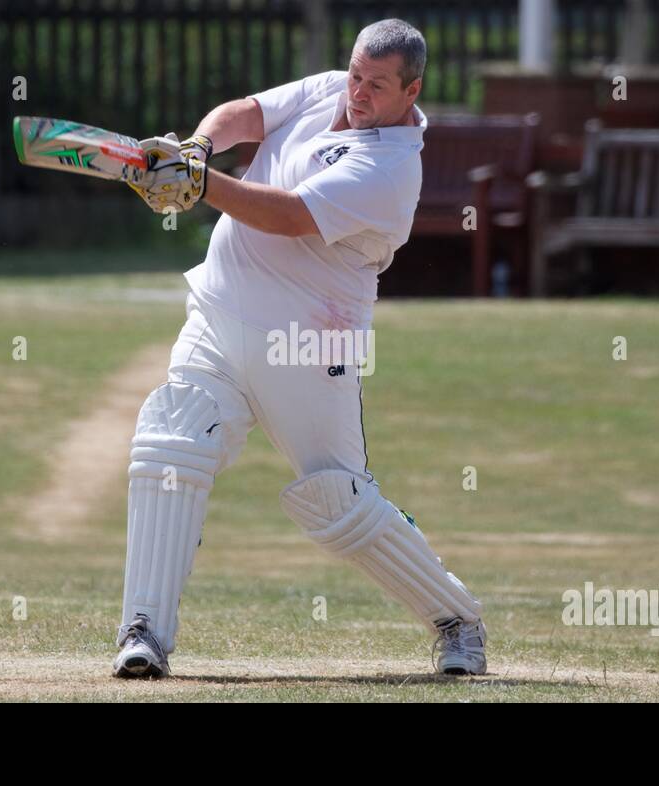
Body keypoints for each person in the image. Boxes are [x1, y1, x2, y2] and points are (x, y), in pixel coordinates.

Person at [114, 18, 485, 678]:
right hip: (220, 312)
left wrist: (195, 184)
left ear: (412, 90)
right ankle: (144, 631)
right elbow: (245, 114)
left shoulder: (392, 170)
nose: (358, 92)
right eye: (354, 75)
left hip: (306, 343)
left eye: (375, 84)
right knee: (171, 442)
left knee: (337, 499)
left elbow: (289, 215)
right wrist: (197, 150)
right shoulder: (330, 90)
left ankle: (456, 617)